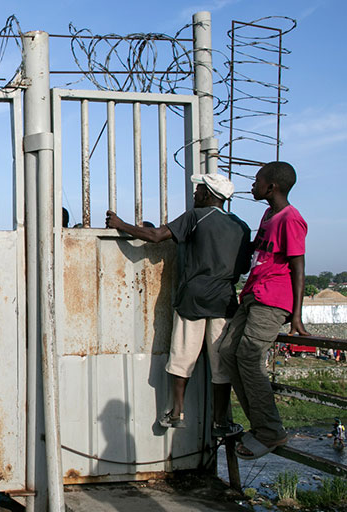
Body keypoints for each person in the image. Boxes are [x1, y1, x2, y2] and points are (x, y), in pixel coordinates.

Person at [106, 173, 251, 436]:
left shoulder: (196, 217)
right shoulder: (240, 226)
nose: (194, 195)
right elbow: (242, 267)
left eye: (197, 191)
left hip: (193, 298)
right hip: (225, 300)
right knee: (220, 364)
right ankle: (220, 421)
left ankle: (175, 412)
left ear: (208, 194)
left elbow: (156, 235)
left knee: (183, 355)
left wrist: (121, 224)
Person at [217, 161, 309, 460]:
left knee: (248, 356)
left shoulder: (290, 219)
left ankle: (269, 431)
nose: (253, 186)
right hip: (255, 294)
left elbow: (297, 266)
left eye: (257, 181)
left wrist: (296, 315)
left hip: (273, 298)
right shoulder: (269, 214)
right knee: (229, 351)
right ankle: (261, 426)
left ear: (272, 187)